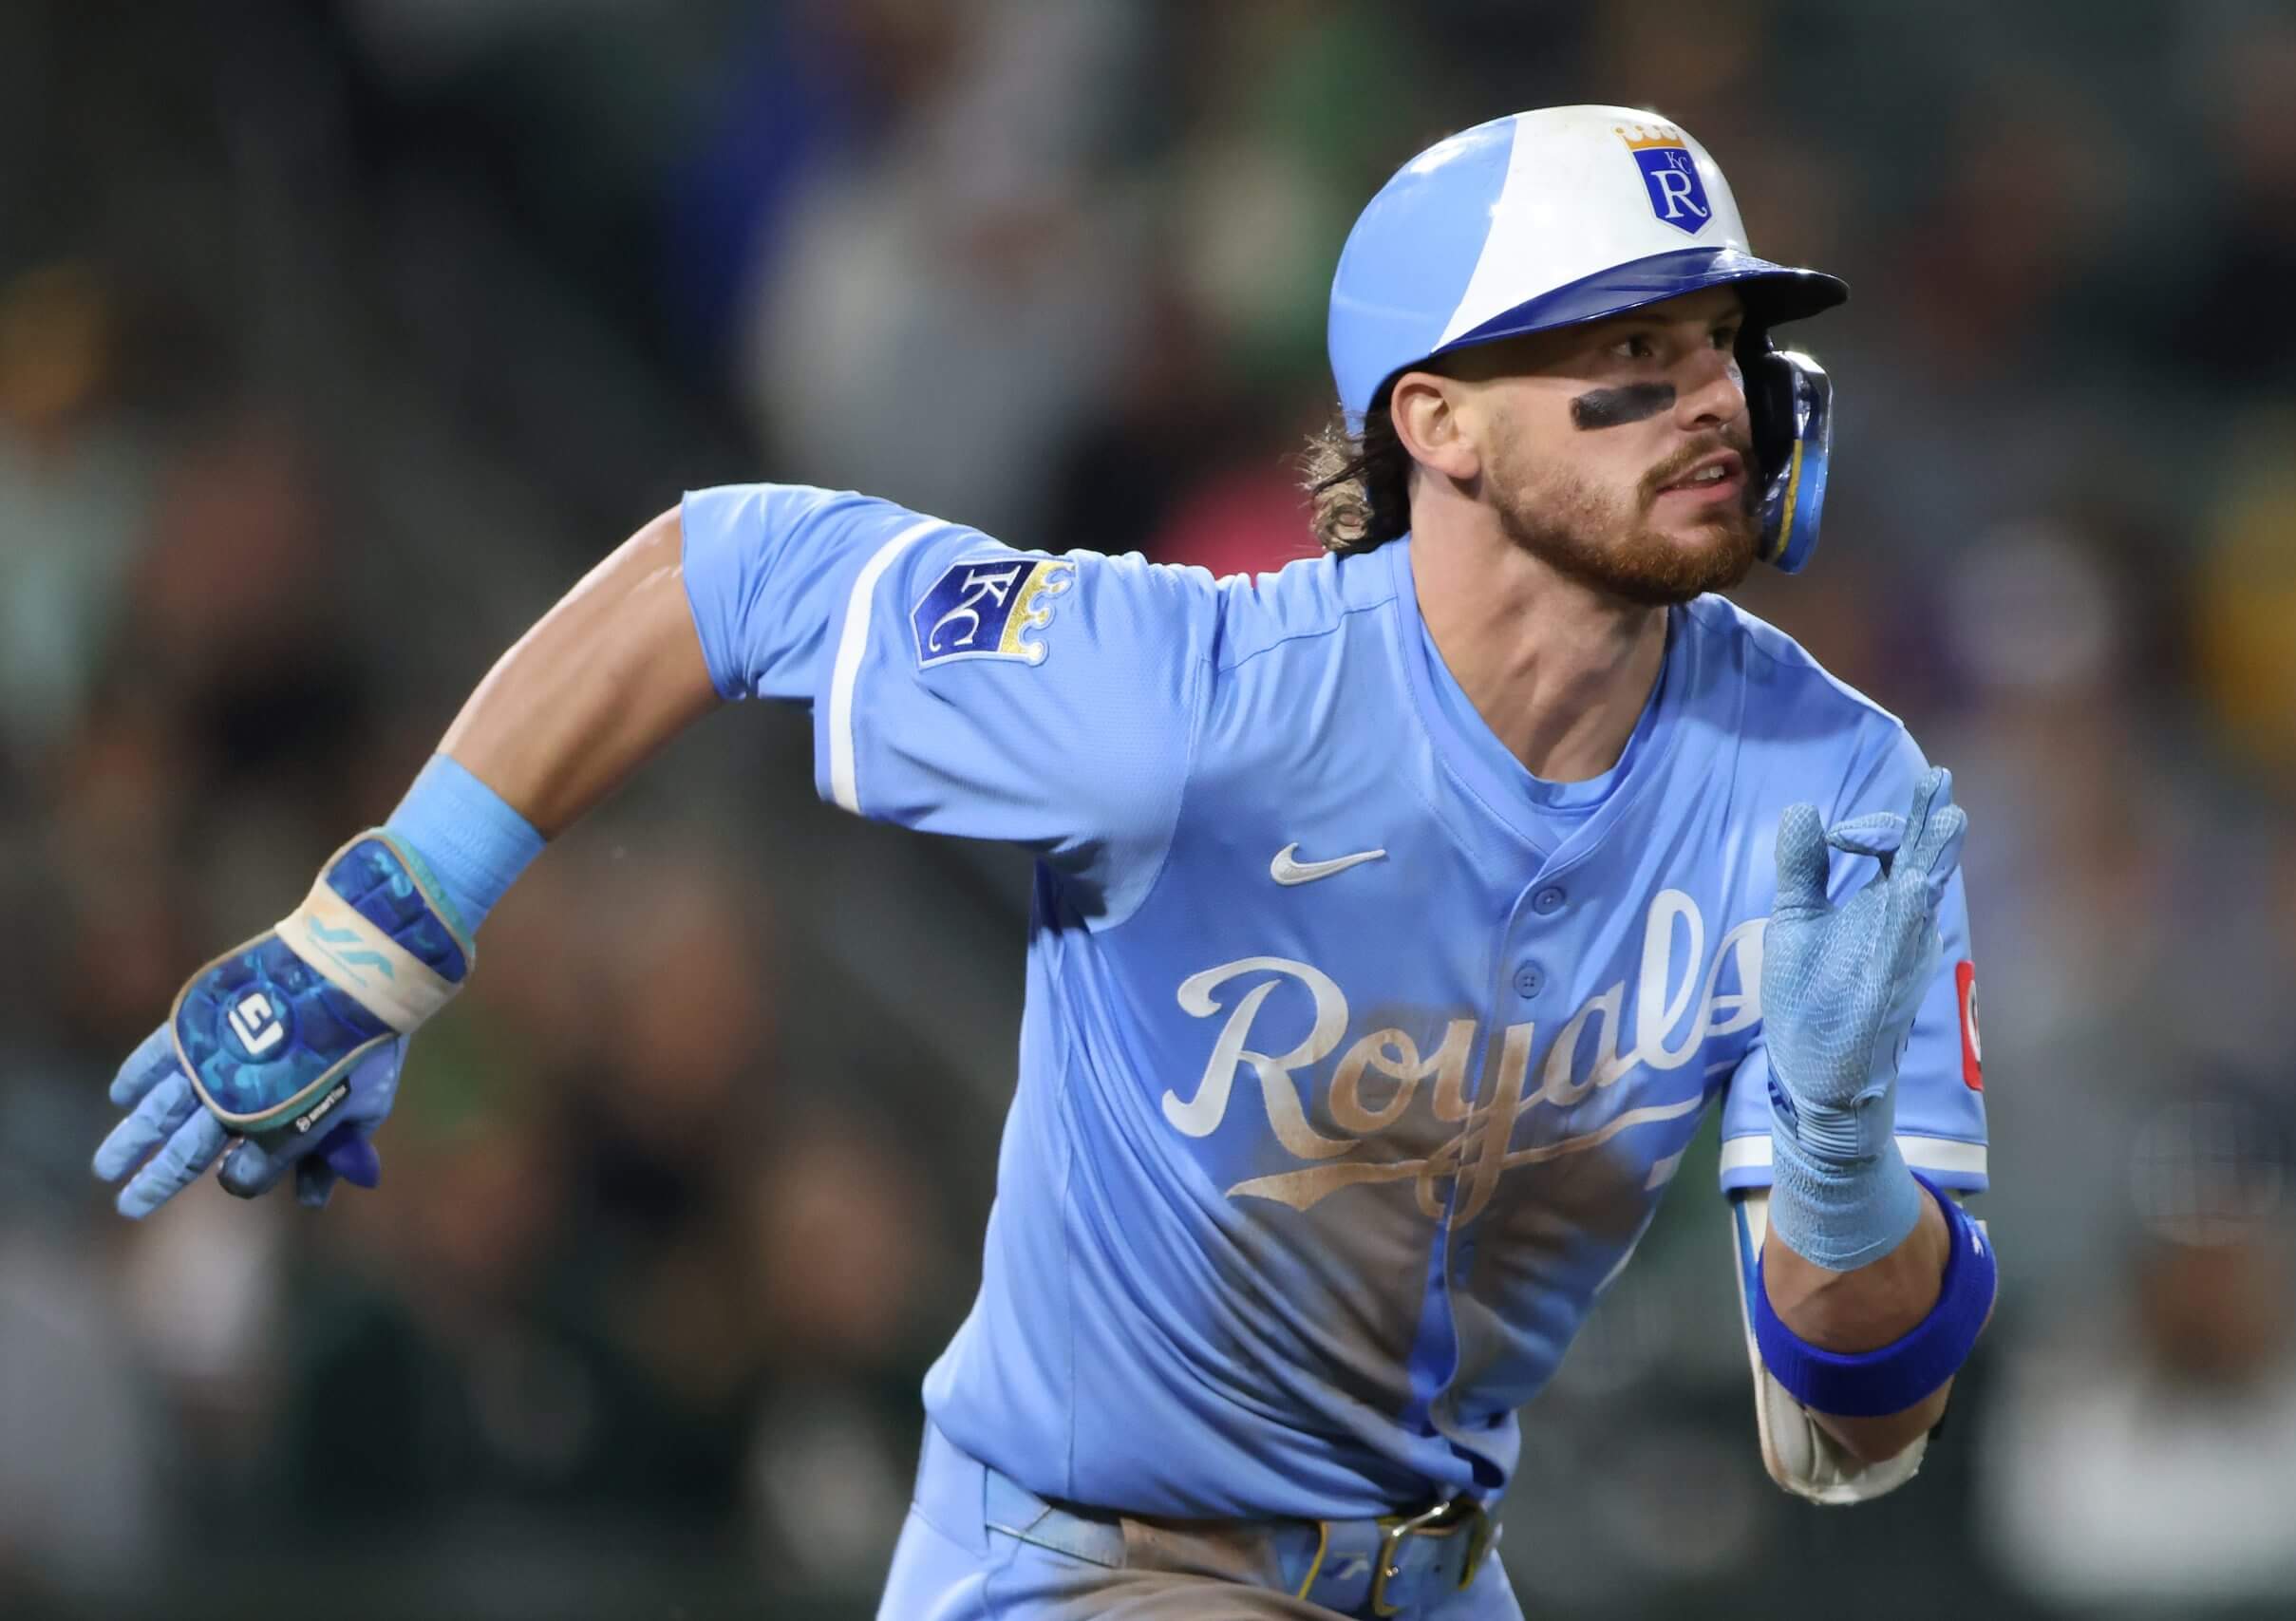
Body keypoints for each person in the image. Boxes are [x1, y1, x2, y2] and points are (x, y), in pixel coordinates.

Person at [90, 106, 1994, 1619]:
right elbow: (726, 570)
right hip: (1089, 1563)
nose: (1713, 399)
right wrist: (386, 923)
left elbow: (1856, 1418)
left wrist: (1831, 1166)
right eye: (1633, 349)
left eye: (1723, 344)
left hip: (1441, 1574)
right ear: (1436, 424)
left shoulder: (1834, 792)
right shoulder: (1190, 697)